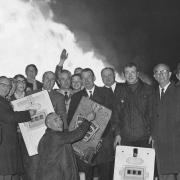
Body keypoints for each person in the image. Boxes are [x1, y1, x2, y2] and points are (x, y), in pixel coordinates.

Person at [68, 68, 110, 180]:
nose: (86, 80)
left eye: (89, 77)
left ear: (94, 78)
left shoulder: (106, 92)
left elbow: (112, 117)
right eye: (83, 78)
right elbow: (71, 120)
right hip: (84, 143)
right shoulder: (76, 97)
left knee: (105, 174)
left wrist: (102, 137)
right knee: (87, 175)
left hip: (103, 142)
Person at [27, 71, 67, 180]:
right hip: (33, 136)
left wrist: (64, 136)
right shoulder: (31, 94)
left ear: (55, 82)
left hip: (51, 138)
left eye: (52, 79)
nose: (49, 81)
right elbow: (23, 114)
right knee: (33, 166)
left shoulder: (59, 97)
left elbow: (62, 116)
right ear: (42, 79)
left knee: (49, 168)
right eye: (47, 78)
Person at [36, 111, 95, 180]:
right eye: (56, 120)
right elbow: (77, 134)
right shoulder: (55, 136)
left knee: (87, 167)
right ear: (49, 125)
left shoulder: (43, 139)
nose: (60, 122)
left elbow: (57, 153)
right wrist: (87, 120)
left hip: (47, 176)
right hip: (56, 176)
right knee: (87, 167)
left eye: (60, 119)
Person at [0, 76, 34, 180]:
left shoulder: (3, 100)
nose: (6, 88)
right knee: (5, 174)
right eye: (3, 85)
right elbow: (9, 117)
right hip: (3, 145)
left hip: (7, 144)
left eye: (9, 86)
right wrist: (28, 113)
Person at [113, 62, 153, 148]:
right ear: (124, 74)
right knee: (124, 162)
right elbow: (116, 114)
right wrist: (117, 134)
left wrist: (153, 134)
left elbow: (152, 114)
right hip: (125, 138)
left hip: (144, 138)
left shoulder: (148, 90)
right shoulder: (119, 91)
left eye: (132, 72)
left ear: (137, 73)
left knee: (144, 161)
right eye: (127, 72)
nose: (130, 75)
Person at [152, 63, 180, 180]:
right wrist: (153, 135)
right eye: (157, 72)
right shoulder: (151, 94)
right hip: (160, 143)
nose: (161, 74)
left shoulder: (178, 91)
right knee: (164, 174)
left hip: (176, 142)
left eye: (164, 71)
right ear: (154, 76)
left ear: (170, 74)